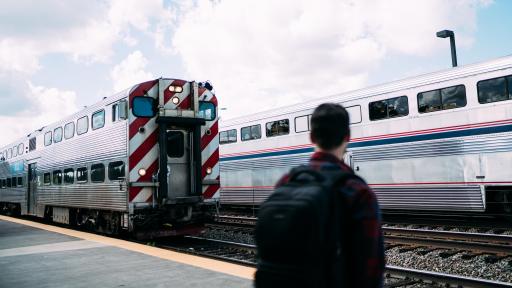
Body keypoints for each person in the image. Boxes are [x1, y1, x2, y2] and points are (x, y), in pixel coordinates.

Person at [274, 103, 385, 287]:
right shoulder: (357, 192)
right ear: (347, 136)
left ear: (311, 137)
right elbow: (370, 271)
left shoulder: (285, 183)